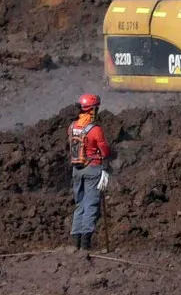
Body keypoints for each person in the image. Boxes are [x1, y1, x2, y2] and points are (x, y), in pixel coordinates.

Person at [67, 93, 112, 252]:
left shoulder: (72, 127)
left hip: (76, 169)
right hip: (93, 168)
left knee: (79, 205)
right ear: (92, 110)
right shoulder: (95, 129)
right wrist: (106, 164)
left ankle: (76, 244)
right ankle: (85, 246)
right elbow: (104, 149)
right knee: (91, 205)